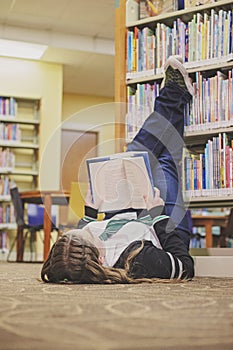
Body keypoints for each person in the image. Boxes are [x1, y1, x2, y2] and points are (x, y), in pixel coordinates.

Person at [41, 56, 195, 284]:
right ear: (102, 257)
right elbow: (185, 267)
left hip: (132, 214)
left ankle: (174, 96)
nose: (89, 230)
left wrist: (90, 215)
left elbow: (89, 236)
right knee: (163, 160)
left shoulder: (84, 249)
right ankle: (173, 97)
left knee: (134, 157)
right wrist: (157, 215)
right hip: (166, 227)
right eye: (88, 234)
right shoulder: (139, 260)